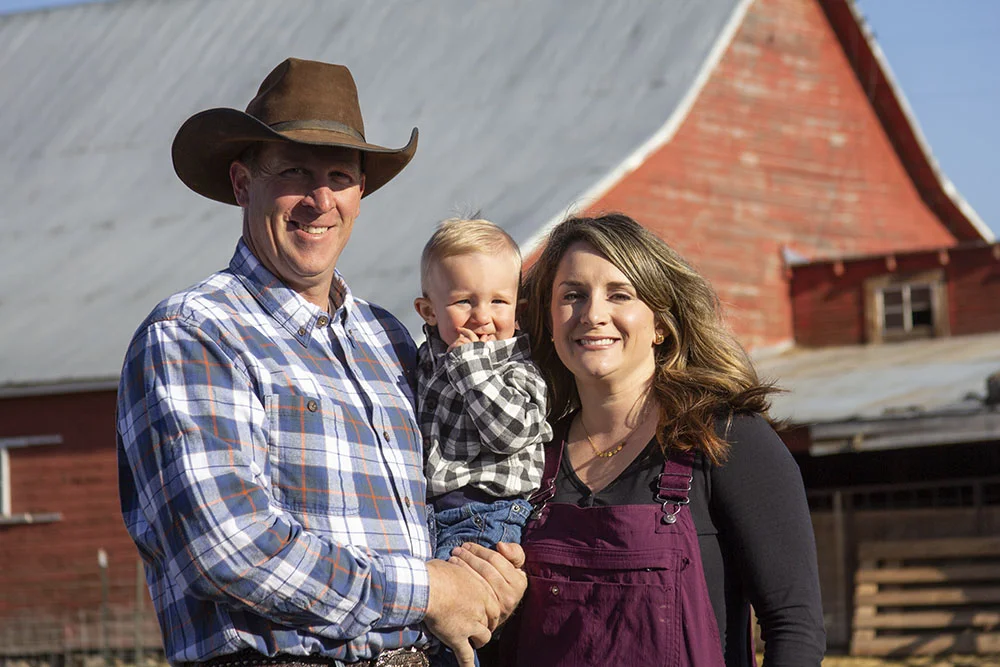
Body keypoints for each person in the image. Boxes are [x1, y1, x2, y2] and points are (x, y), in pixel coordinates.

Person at [115, 58, 525, 667]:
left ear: (361, 193)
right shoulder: (195, 333)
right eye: (294, 172)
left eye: (340, 174)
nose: (321, 199)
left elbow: (457, 484)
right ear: (241, 183)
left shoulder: (389, 338)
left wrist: (490, 573)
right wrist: (431, 589)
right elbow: (230, 546)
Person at [492, 213, 826, 666]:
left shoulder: (727, 440)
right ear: (550, 323)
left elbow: (795, 629)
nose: (593, 314)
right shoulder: (526, 456)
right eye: (572, 296)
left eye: (620, 295)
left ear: (660, 324)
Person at [411, 218, 552, 666]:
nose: (483, 316)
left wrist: (471, 367)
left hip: (487, 514)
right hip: (431, 512)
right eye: (463, 301)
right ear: (428, 310)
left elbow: (508, 432)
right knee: (422, 631)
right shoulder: (425, 360)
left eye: (498, 301)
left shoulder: (518, 369)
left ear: (518, 308)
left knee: (463, 628)